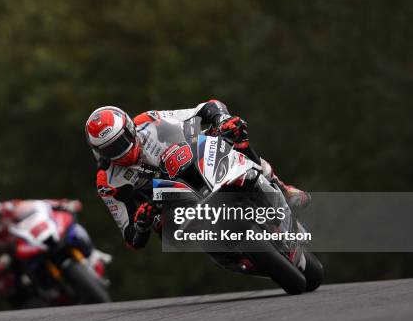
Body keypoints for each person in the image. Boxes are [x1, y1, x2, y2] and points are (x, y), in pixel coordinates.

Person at [84, 101, 311, 249]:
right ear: (98, 152)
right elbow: (130, 238)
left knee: (234, 134)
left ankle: (280, 187)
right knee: (162, 229)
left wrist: (221, 120)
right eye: (110, 150)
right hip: (168, 206)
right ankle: (229, 251)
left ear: (130, 128)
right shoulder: (108, 181)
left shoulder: (149, 121)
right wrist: (141, 224)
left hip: (195, 164)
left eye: (121, 142)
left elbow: (205, 108)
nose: (121, 152)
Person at [0, 192, 108, 303]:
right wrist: (1, 266)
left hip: (32, 241)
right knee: (8, 287)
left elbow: (37, 205)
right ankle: (46, 297)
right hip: (15, 262)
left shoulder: (9, 208)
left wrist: (62, 204)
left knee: (73, 228)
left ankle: (92, 254)